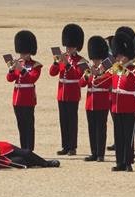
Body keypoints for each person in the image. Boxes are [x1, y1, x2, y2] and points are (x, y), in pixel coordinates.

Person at [93, 32, 135, 172]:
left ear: (125, 56)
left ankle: (128, 162)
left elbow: (133, 82)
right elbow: (103, 80)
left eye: (119, 55)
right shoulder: (116, 68)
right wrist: (96, 77)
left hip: (129, 106)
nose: (117, 58)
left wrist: (120, 69)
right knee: (118, 136)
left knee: (128, 137)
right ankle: (120, 162)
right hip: (116, 106)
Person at [49, 23, 86, 156]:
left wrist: (67, 64)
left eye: (70, 46)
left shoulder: (81, 61)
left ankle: (72, 147)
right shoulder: (62, 57)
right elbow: (52, 73)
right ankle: (65, 145)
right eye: (67, 46)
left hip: (72, 93)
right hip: (61, 93)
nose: (68, 48)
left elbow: (78, 75)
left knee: (72, 120)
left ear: (76, 47)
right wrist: (55, 62)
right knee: (63, 120)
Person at [6, 30, 42, 151]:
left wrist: (21, 70)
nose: (22, 55)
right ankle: (23, 149)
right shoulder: (18, 63)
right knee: (21, 126)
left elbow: (32, 78)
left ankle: (29, 149)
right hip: (17, 99)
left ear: (30, 52)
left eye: (25, 52)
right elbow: (10, 79)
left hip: (28, 99)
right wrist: (11, 70)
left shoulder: (36, 65)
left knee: (29, 126)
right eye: (21, 52)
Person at [79, 36, 110, 162]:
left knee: (101, 129)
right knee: (92, 128)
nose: (95, 61)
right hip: (90, 103)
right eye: (93, 59)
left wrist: (97, 75)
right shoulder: (89, 69)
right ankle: (94, 153)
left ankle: (101, 154)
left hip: (102, 103)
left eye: (96, 59)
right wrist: (87, 76)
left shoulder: (107, 69)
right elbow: (81, 84)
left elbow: (106, 83)